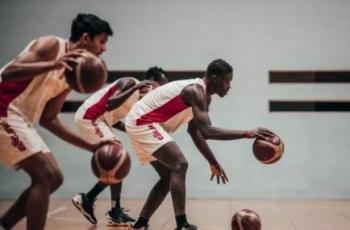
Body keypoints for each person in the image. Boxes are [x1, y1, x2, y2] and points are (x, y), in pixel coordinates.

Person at [124, 59, 275, 230]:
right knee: (180, 164)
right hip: (142, 122)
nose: (229, 86)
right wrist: (247, 133)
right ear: (215, 78)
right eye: (227, 81)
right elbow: (208, 132)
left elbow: (195, 132)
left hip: (143, 123)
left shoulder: (205, 98)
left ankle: (140, 224)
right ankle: (182, 224)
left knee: (168, 177)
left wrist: (212, 161)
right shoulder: (195, 91)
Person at [0, 13, 113, 230]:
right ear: (86, 38)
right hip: (4, 110)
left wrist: (90, 146)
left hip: (19, 119)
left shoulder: (73, 73)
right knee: (45, 174)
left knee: (55, 178)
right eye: (102, 41)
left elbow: (49, 119)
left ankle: (4, 223)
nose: (104, 48)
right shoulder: (51, 46)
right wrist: (53, 64)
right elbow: (7, 73)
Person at [72, 67, 168, 226]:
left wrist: (132, 129)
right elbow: (109, 104)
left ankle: (112, 209)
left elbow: (113, 118)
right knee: (117, 158)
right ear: (152, 83)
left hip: (100, 120)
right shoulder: (129, 82)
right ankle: (89, 200)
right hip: (90, 117)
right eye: (162, 86)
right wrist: (134, 88)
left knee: (117, 159)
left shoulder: (139, 100)